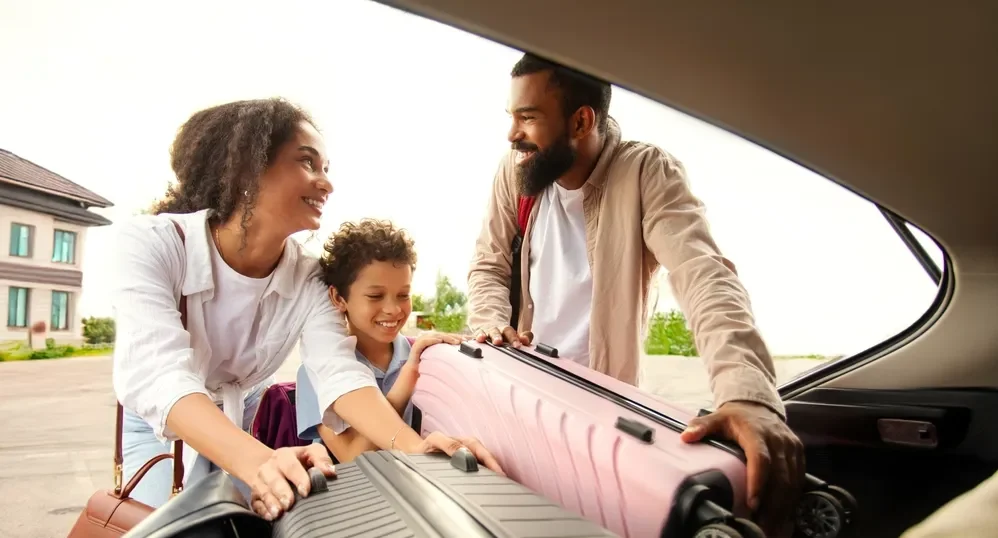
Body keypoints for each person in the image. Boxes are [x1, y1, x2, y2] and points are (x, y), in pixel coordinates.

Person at [111, 98, 501, 522]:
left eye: (326, 168)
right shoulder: (152, 243)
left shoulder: (307, 276)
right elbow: (159, 374)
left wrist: (414, 448)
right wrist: (261, 462)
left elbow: (338, 373)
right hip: (161, 425)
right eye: (307, 162)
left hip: (239, 414)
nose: (326, 183)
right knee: (170, 526)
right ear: (247, 169)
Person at [467, 53, 803, 535]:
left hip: (603, 410)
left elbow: (705, 276)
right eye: (511, 116)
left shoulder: (646, 172)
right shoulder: (516, 172)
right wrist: (489, 323)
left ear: (581, 120)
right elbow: (487, 265)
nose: (511, 133)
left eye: (528, 117)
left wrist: (749, 397)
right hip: (524, 393)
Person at [294, 219, 461, 462]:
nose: (393, 309)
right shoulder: (314, 374)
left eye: (403, 295)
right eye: (375, 296)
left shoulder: (426, 357)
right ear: (338, 298)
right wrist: (407, 379)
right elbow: (352, 456)